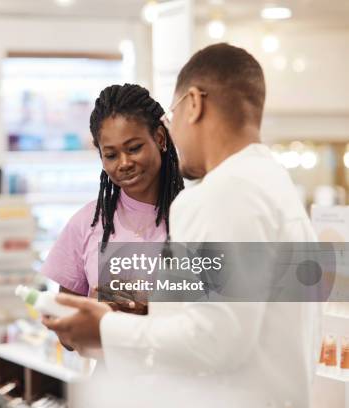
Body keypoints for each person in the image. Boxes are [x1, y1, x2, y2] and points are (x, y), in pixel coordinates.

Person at [43, 43, 319, 407]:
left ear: (194, 103)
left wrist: (107, 327)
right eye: (110, 153)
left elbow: (213, 339)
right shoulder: (276, 187)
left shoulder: (217, 197)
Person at [40, 84, 184, 349]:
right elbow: (68, 337)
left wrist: (149, 308)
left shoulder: (194, 214)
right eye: (111, 154)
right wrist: (93, 313)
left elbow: (219, 319)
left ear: (160, 138)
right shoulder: (88, 223)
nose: (124, 163)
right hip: (111, 384)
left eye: (134, 148)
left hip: (183, 381)